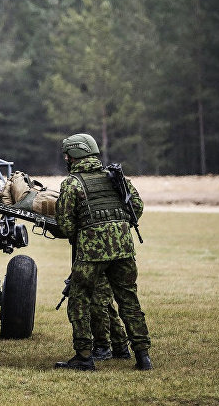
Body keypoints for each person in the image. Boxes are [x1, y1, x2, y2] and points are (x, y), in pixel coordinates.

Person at [53, 133, 152, 371]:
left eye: (67, 155)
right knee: (129, 299)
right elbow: (136, 207)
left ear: (73, 156)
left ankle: (84, 357)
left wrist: (87, 229)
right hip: (123, 249)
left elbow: (66, 226)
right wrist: (117, 226)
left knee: (79, 300)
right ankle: (142, 357)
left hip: (91, 253)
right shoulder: (116, 177)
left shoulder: (72, 183)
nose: (66, 159)